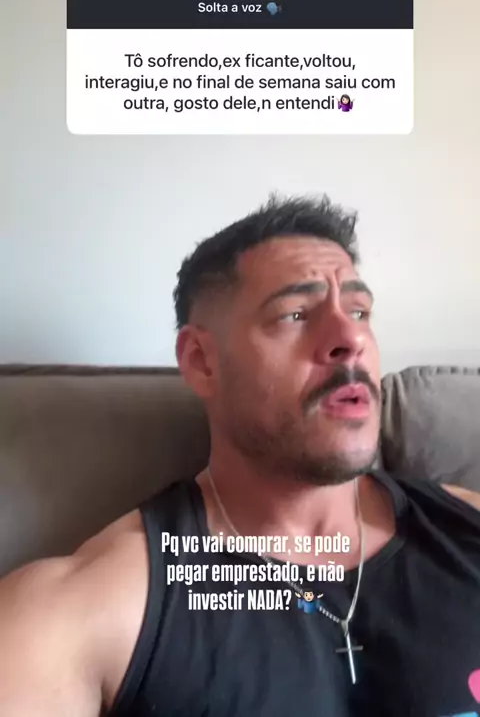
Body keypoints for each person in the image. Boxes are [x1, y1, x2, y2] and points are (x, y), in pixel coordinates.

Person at [1, 194, 480, 717]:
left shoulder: (465, 530)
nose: (351, 339)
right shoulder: (89, 609)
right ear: (202, 362)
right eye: (296, 314)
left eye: (360, 311)